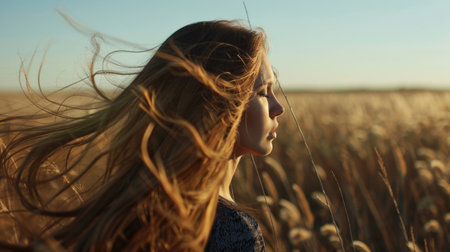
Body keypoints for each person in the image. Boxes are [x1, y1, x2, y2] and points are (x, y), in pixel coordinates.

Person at [0, 20, 284, 251]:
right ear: (216, 103)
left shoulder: (133, 213)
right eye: (262, 92)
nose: (278, 107)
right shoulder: (236, 233)